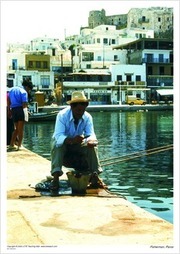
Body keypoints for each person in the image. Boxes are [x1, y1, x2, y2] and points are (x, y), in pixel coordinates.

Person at [50, 91, 105, 190]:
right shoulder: (62, 116)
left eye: (82, 110)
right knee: (57, 145)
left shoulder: (87, 117)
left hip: (77, 146)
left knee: (92, 147)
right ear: (72, 107)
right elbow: (58, 136)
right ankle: (55, 178)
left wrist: (91, 141)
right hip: (65, 147)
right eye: (78, 110)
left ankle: (95, 176)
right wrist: (71, 140)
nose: (80, 113)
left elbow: (91, 134)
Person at [7, 79, 33, 152]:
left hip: (13, 110)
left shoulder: (12, 90)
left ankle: (11, 144)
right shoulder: (24, 92)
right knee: (20, 129)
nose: (29, 91)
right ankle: (19, 145)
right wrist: (26, 113)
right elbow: (24, 104)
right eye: (29, 90)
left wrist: (9, 110)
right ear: (27, 87)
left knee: (16, 129)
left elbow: (8, 100)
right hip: (20, 110)